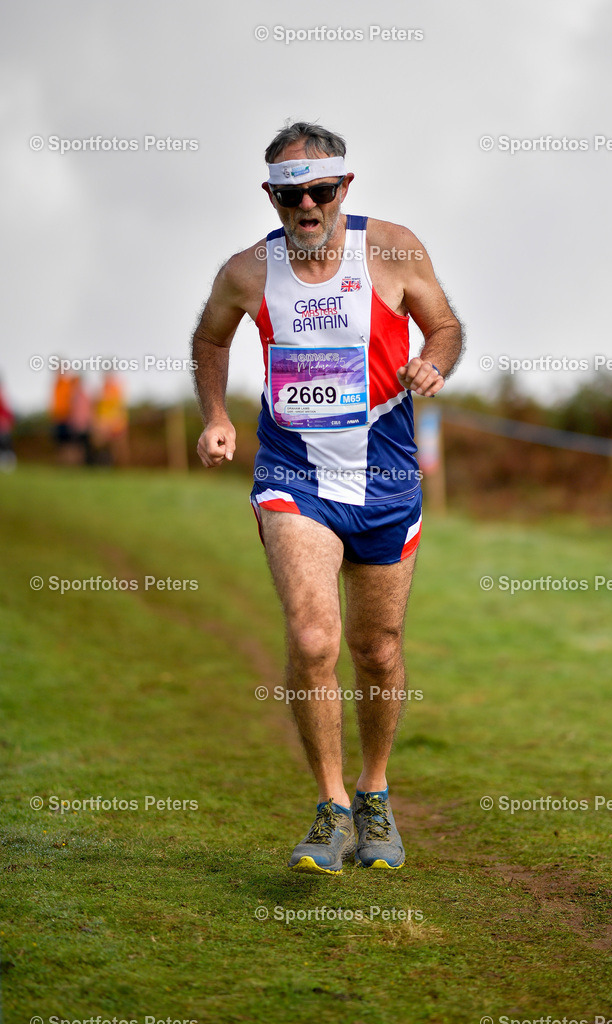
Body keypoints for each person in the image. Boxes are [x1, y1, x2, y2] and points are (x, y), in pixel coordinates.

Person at [192, 122, 463, 874]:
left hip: (385, 476)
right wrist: (215, 416)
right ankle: (331, 807)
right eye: (291, 195)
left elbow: (443, 326)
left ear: (344, 187)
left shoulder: (393, 250)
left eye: (319, 190)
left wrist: (433, 363)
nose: (306, 205)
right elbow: (211, 338)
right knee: (313, 640)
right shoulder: (247, 272)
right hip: (294, 475)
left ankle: (374, 793)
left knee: (377, 649)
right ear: (270, 196)